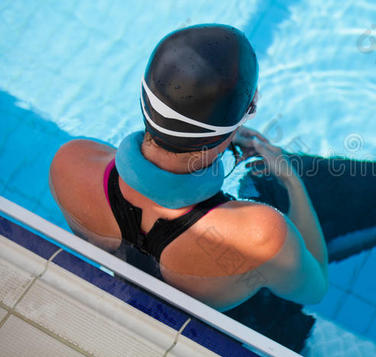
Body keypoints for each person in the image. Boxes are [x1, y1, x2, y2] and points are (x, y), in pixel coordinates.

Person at [49, 25, 328, 321]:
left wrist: (216, 134)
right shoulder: (261, 235)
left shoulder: (70, 164)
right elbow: (315, 290)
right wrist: (291, 181)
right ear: (249, 109)